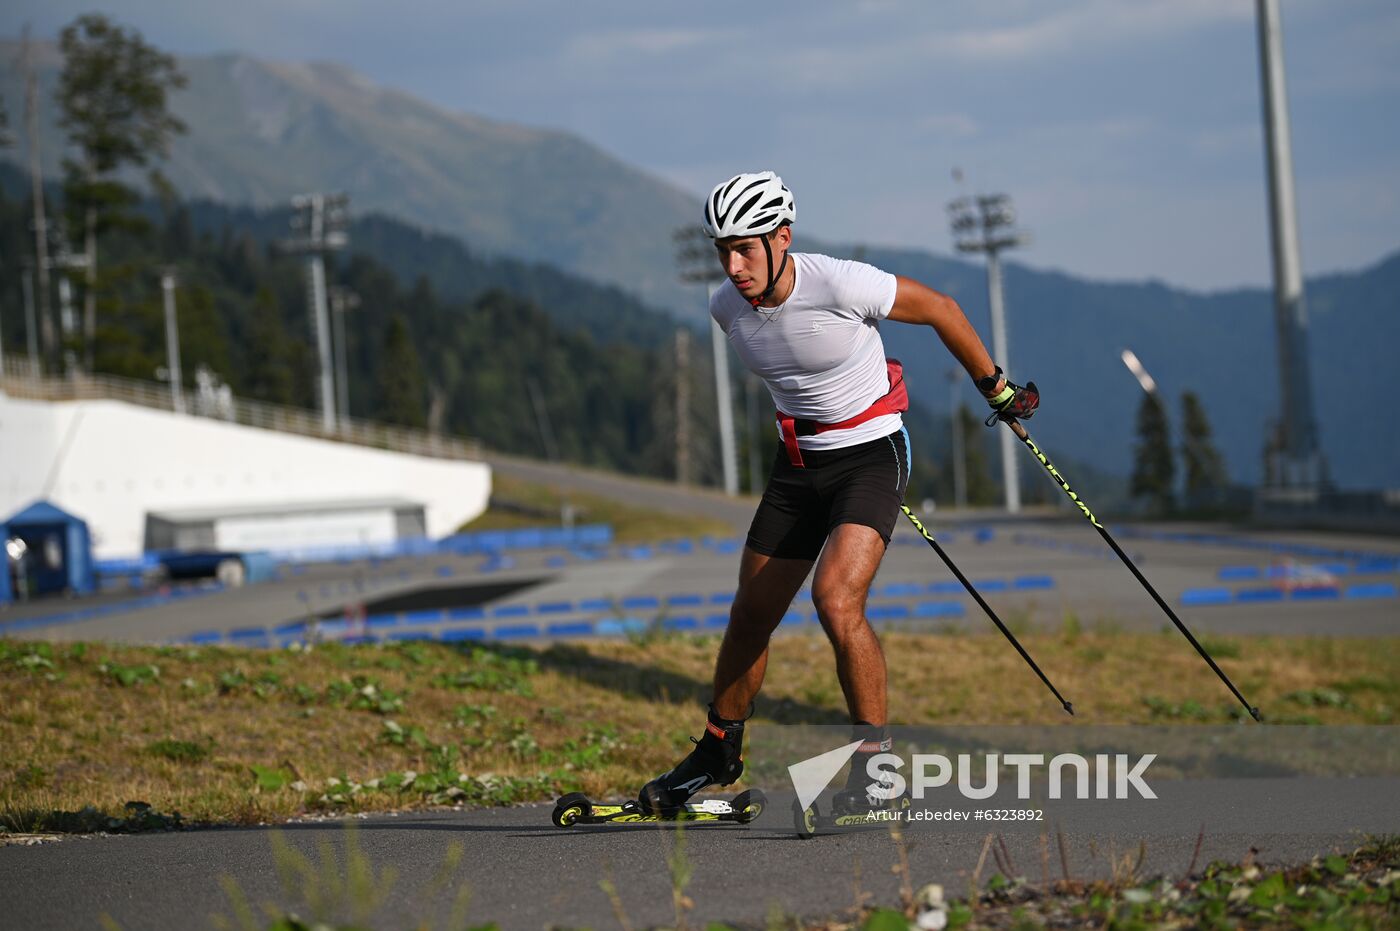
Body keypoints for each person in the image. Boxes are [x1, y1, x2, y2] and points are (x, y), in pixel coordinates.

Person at [639, 171, 1039, 815]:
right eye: (722, 250)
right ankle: (718, 750)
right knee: (751, 615)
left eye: (745, 248)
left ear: (782, 238)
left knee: (835, 600)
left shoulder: (839, 282)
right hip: (798, 467)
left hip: (870, 459)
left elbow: (940, 307)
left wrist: (997, 389)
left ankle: (875, 772)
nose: (732, 266)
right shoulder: (724, 306)